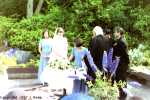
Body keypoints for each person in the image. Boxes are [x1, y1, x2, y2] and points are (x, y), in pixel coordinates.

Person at [113, 26, 130, 100]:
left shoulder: (121, 42)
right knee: (120, 79)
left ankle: (122, 96)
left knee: (121, 79)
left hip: (121, 64)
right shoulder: (119, 40)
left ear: (119, 33)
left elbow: (125, 54)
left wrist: (127, 63)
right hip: (121, 64)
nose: (114, 33)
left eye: (115, 32)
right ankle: (122, 95)